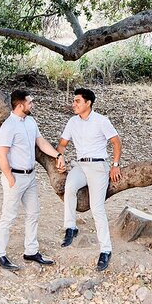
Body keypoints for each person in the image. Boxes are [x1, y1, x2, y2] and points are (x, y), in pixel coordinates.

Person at [0, 89, 64, 271]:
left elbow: (41, 142)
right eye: (30, 102)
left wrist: (57, 155)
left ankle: (31, 251)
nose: (32, 105)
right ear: (20, 105)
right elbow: (1, 155)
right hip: (15, 177)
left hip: (30, 176)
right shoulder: (8, 126)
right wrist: (9, 177)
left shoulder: (30, 121)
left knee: (34, 213)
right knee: (8, 216)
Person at [53, 87, 122, 271]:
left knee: (97, 207)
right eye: (74, 101)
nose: (73, 104)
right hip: (80, 165)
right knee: (69, 188)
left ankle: (105, 250)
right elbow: (62, 144)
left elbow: (116, 141)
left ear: (88, 103)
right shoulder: (72, 122)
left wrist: (115, 165)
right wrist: (60, 157)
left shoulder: (101, 120)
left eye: (77, 101)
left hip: (99, 166)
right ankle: (70, 228)